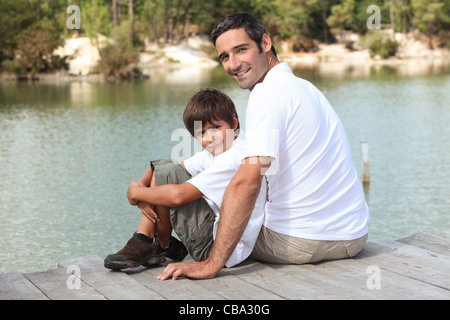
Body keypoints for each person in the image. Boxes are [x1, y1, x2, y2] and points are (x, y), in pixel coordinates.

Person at [157, 12, 370, 280]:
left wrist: (211, 264)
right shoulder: (306, 88)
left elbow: (247, 183)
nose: (233, 64)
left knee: (169, 174)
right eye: (224, 57)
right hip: (352, 237)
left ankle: (152, 243)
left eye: (241, 50)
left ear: (265, 43)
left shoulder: (266, 94)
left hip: (298, 241)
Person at [104, 88, 266, 270]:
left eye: (216, 127)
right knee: (166, 167)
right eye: (202, 133)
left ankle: (152, 242)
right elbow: (169, 165)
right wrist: (141, 187)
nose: (210, 137)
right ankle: (156, 243)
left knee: (167, 174)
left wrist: (136, 193)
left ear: (234, 122)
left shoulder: (234, 158)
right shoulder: (220, 151)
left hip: (220, 249)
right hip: (216, 236)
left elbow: (178, 196)